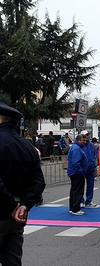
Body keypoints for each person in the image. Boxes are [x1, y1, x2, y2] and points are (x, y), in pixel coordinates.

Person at [0, 102, 46, 266]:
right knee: (13, 260)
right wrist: (24, 205)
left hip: (6, 208)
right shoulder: (28, 146)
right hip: (18, 213)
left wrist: (11, 206)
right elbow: (39, 181)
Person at [67, 134, 88, 215]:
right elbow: (76, 162)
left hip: (74, 172)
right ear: (79, 140)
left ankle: (73, 207)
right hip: (76, 173)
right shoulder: (76, 149)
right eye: (83, 140)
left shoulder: (75, 147)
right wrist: (80, 172)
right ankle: (76, 208)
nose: (84, 142)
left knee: (74, 190)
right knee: (78, 191)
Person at [80, 131, 97, 208]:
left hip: (90, 168)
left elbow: (93, 156)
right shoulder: (81, 145)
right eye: (85, 135)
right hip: (82, 168)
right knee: (81, 185)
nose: (87, 136)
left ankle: (89, 201)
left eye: (87, 134)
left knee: (90, 185)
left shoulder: (90, 144)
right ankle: (81, 201)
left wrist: (94, 166)